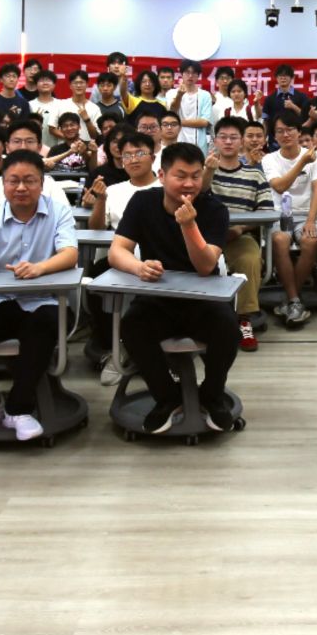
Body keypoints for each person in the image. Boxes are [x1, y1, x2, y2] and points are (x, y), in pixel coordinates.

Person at [0, 149, 81, 442]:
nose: (21, 187)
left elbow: (70, 254)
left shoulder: (58, 211)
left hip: (44, 300)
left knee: (43, 327)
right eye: (13, 181)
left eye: (29, 180)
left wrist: (40, 268)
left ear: (42, 183)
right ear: (3, 184)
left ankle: (19, 409)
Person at [105, 141, 240, 434]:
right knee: (133, 326)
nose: (189, 183)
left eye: (196, 176)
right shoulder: (143, 202)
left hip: (204, 298)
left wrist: (189, 226)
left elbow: (206, 265)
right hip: (158, 297)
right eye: (181, 176)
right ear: (162, 175)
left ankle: (212, 394)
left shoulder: (214, 209)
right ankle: (167, 397)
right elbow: (117, 252)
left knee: (228, 328)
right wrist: (138, 267)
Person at [200, 117, 268, 348]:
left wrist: (240, 228)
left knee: (250, 258)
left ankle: (244, 319)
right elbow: (196, 197)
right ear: (215, 140)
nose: (228, 142)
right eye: (223, 137)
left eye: (233, 137)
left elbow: (266, 211)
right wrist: (208, 171)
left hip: (240, 235)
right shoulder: (204, 170)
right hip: (205, 237)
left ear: (242, 142)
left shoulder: (255, 174)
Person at [261, 112, 317, 327]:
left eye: (290, 130)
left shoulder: (316, 156)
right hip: (279, 214)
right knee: (280, 240)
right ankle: (295, 300)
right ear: (274, 135)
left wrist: (311, 220)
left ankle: (290, 300)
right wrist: (302, 163)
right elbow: (279, 186)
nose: (285, 134)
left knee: (310, 240)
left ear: (299, 132)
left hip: (307, 214)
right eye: (280, 131)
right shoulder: (269, 159)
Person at [169, 60, 215, 151]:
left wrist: (177, 122)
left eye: (194, 73)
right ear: (182, 74)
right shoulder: (171, 93)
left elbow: (204, 122)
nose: (190, 76)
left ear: (198, 76)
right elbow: (171, 113)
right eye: (187, 72)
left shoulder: (205, 95)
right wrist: (179, 96)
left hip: (199, 145)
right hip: (177, 142)